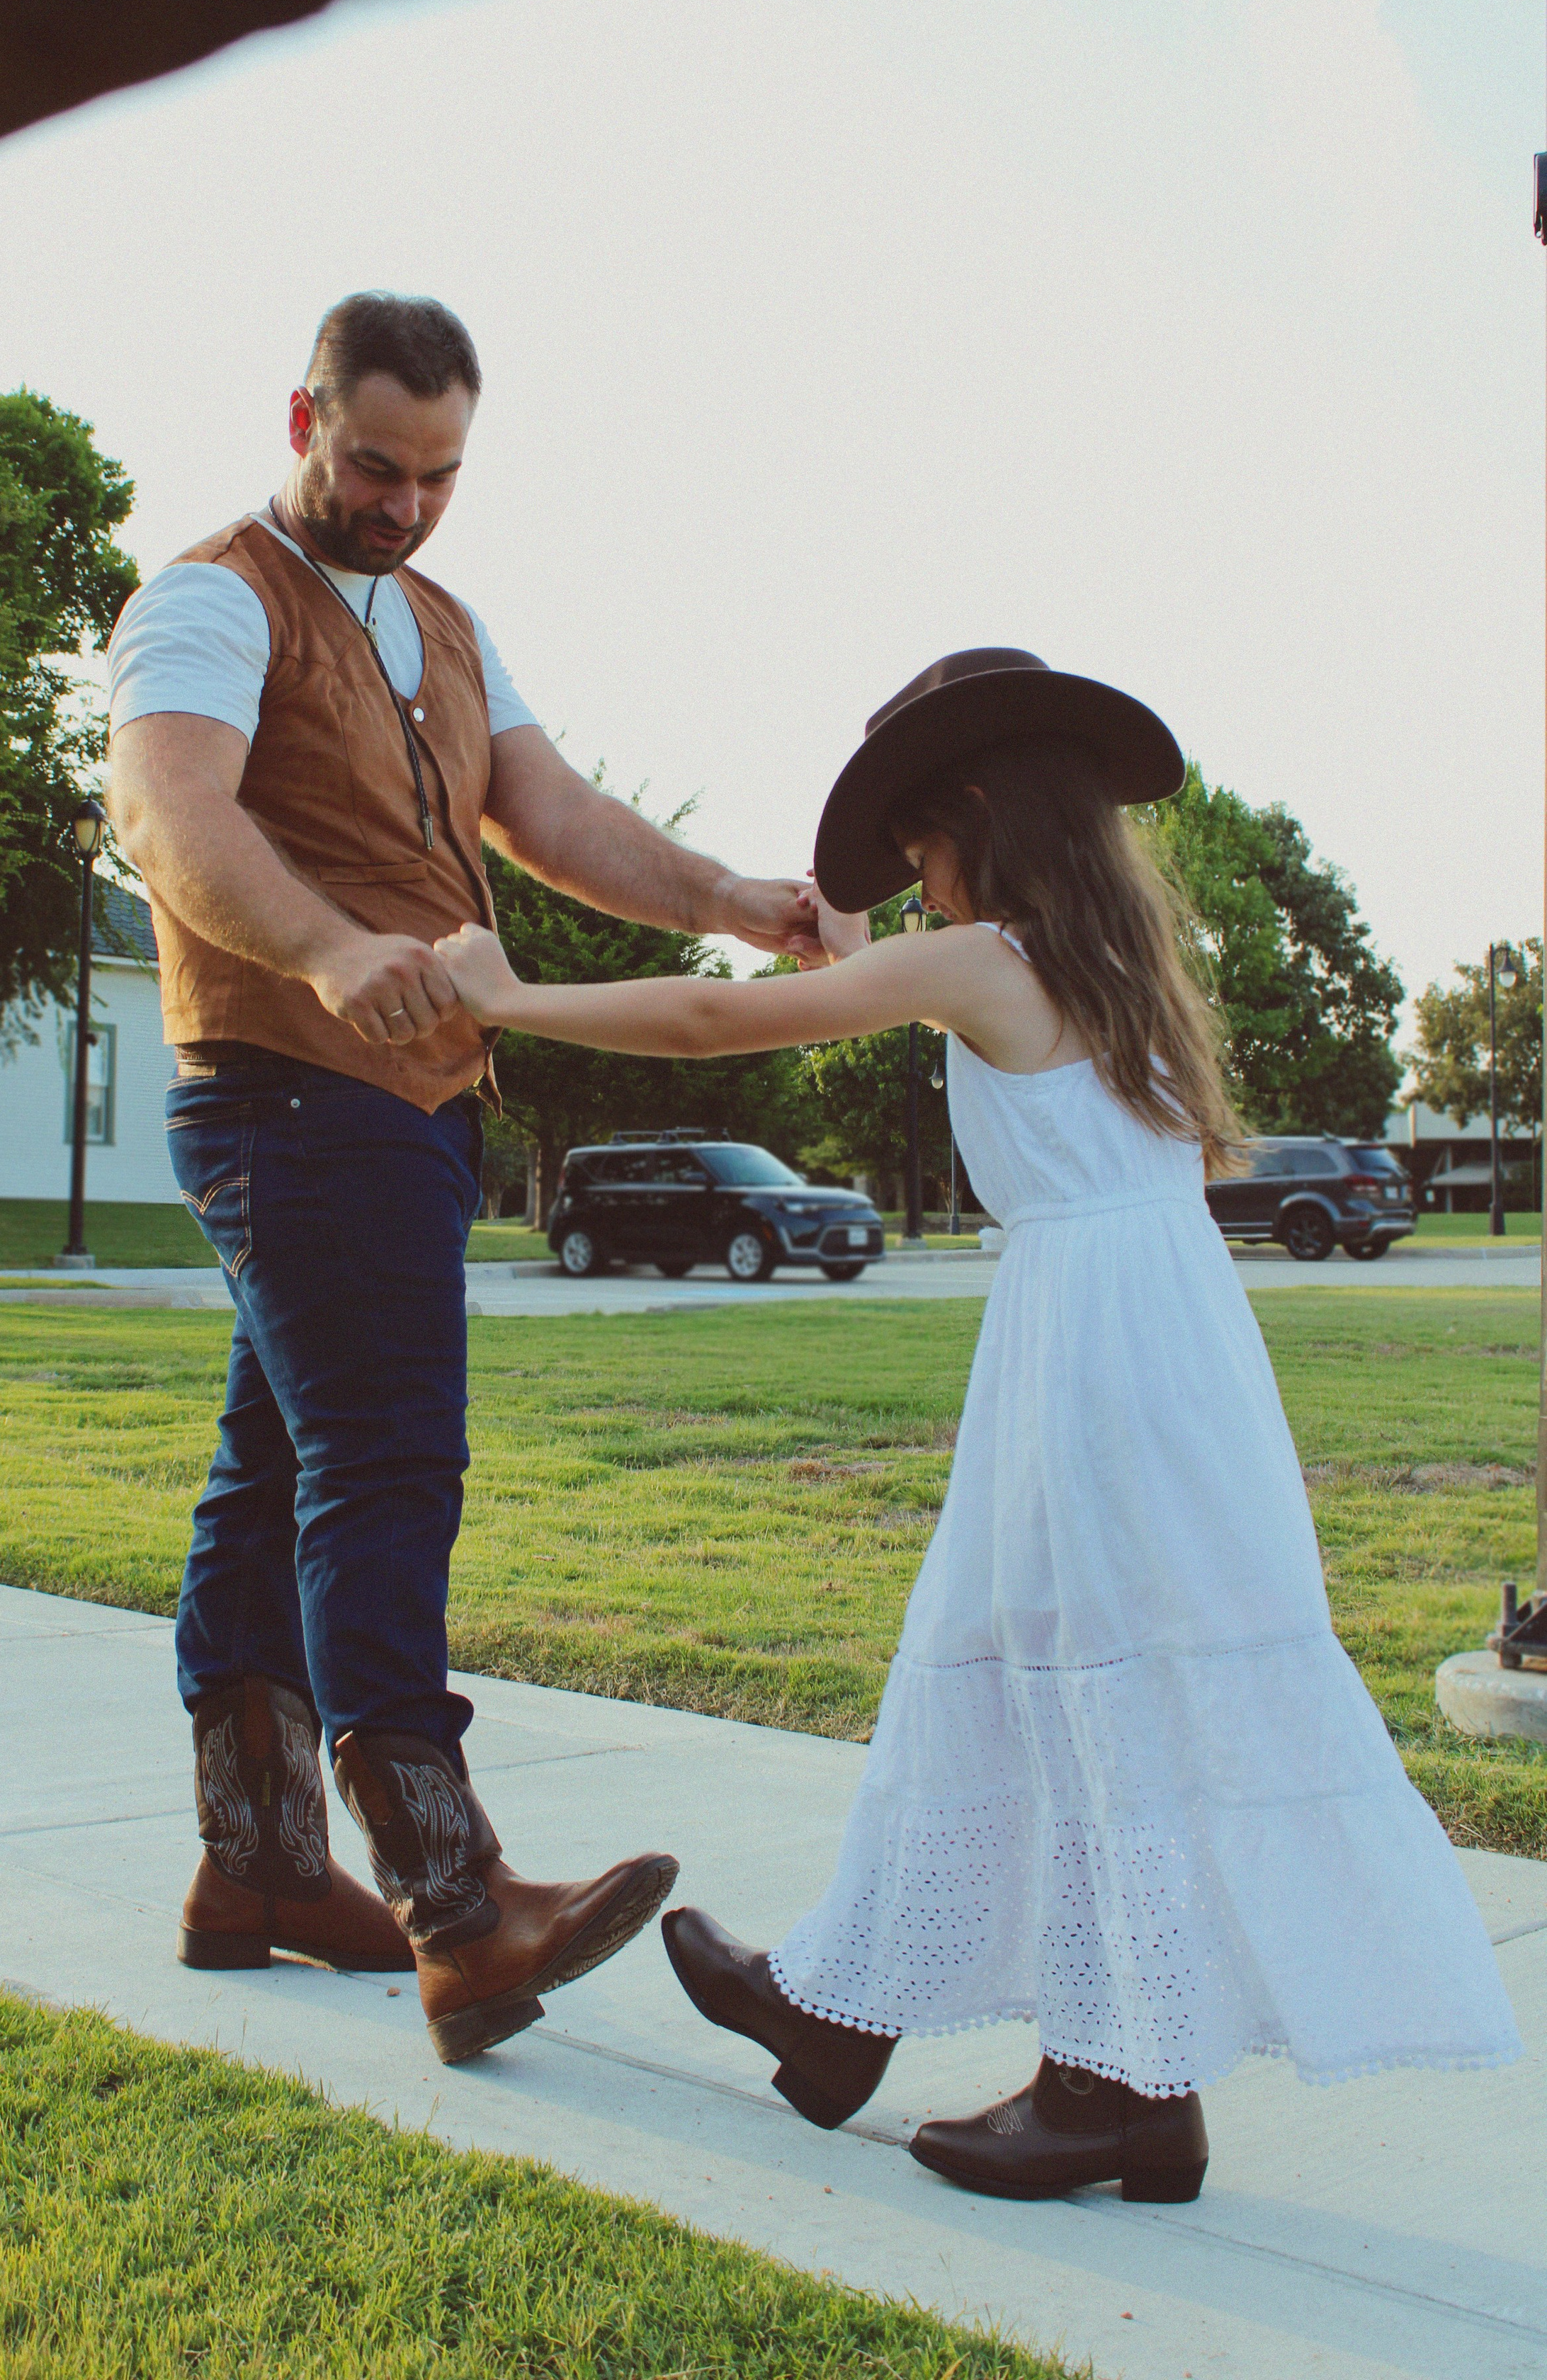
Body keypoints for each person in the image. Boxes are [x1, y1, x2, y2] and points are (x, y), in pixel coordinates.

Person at [434, 645, 1522, 2189]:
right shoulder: (1105, 970)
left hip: (1089, 1358)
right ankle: (860, 2015)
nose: (918, 884)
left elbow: (707, 1027)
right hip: (1155, 1346)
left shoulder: (989, 965)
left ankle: (1106, 2086)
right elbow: (870, 991)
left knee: (1076, 1681)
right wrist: (859, 940)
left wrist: (507, 994)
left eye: (919, 850)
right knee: (1022, 1668)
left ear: (972, 819)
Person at [104, 292, 821, 2066]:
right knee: (385, 1455)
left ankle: (258, 1870)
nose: (404, 504)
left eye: (438, 476)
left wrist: (733, 900)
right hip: (292, 1086)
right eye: (373, 465)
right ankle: (451, 1899)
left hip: (406, 1105)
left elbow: (553, 812)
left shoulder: (438, 616)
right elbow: (165, 810)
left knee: (268, 1470)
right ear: (301, 418)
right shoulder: (209, 595)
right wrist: (332, 946)